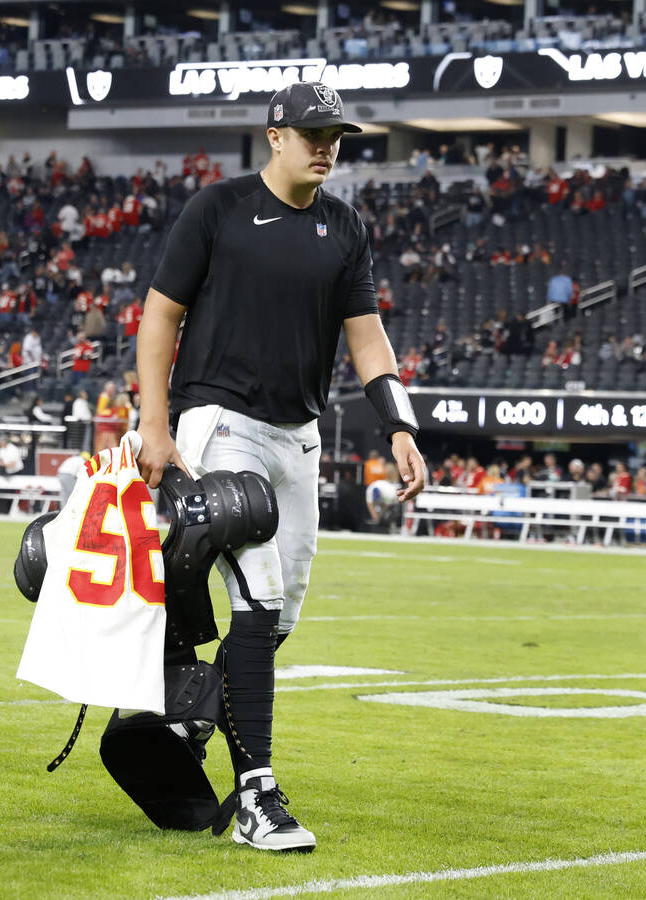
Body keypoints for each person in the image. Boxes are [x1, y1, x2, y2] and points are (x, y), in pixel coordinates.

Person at [135, 82, 425, 852]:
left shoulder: (345, 224)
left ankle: (188, 714)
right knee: (257, 599)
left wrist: (399, 424)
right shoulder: (217, 209)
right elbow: (160, 315)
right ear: (274, 136)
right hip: (219, 421)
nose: (325, 144)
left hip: (299, 437)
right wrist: (154, 424)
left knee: (277, 619)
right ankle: (259, 798)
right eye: (312, 132)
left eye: (335, 134)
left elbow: (367, 336)